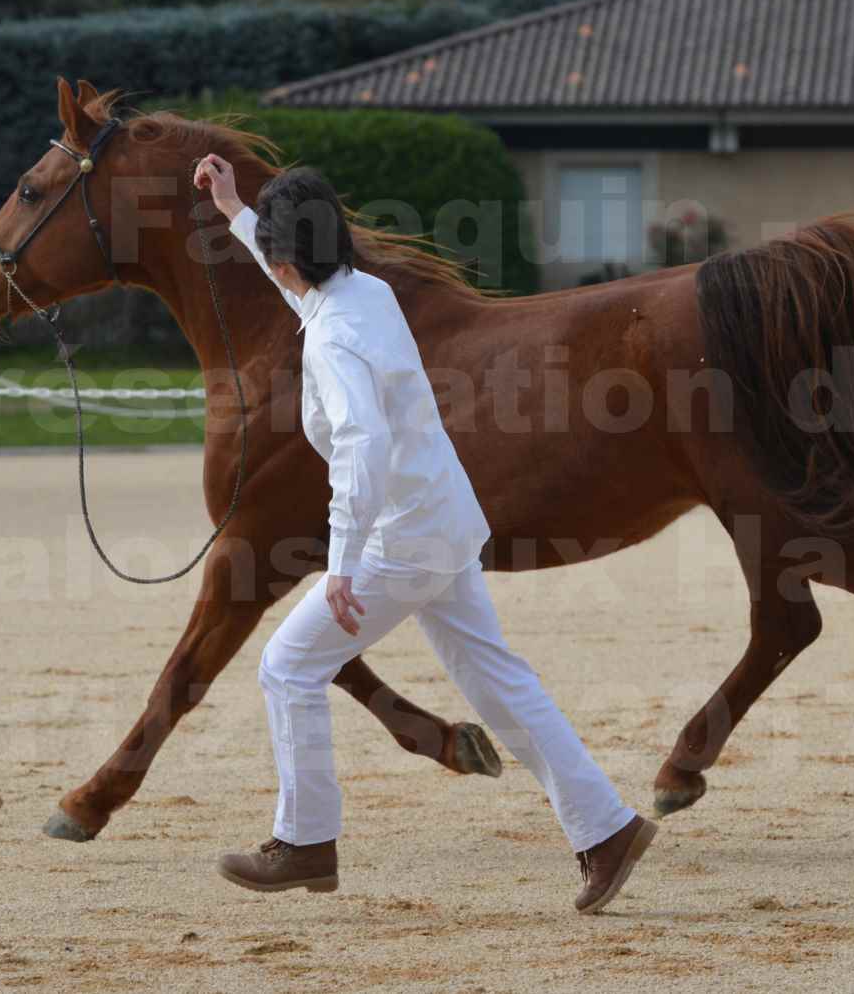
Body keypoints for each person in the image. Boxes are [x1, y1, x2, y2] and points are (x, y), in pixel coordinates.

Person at [192, 154, 656, 914]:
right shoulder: (361, 291)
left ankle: (305, 843)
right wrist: (234, 209)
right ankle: (605, 831)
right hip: (447, 518)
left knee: (287, 668)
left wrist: (340, 566)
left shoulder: (334, 336)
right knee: (498, 681)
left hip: (401, 539)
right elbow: (298, 288)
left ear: (285, 261)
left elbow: (360, 447)